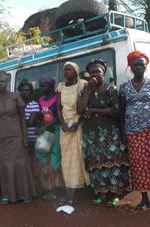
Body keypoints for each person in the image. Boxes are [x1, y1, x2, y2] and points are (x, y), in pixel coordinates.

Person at [119, 50, 150, 211]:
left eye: (142, 64)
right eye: (136, 65)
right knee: (138, 165)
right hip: (133, 132)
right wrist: (124, 133)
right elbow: (122, 111)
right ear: (130, 67)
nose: (139, 67)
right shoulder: (124, 87)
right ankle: (144, 198)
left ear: (146, 67)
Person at [78, 59, 131, 208]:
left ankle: (113, 194)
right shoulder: (86, 90)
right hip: (91, 135)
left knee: (112, 163)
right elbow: (80, 110)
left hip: (110, 134)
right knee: (96, 164)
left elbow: (116, 111)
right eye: (92, 73)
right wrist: (88, 89)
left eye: (98, 72)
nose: (94, 75)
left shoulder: (111, 89)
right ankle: (100, 193)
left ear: (104, 74)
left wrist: (94, 110)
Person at [0, 71, 37, 204]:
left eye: (3, 81)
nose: (1, 84)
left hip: (16, 136)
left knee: (20, 164)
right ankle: (7, 194)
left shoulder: (15, 97)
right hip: (1, 138)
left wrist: (25, 136)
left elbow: (22, 117)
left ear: (7, 83)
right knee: (5, 165)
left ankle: (25, 193)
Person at [56, 61, 90, 206]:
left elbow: (84, 106)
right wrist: (64, 125)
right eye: (65, 70)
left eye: (70, 69)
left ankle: (74, 194)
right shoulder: (61, 87)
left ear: (76, 71)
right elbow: (58, 108)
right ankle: (68, 191)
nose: (67, 72)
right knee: (66, 160)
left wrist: (77, 122)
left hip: (78, 126)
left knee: (76, 159)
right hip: (65, 128)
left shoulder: (82, 85)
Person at [34, 76, 64, 200]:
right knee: (43, 157)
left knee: (55, 158)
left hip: (55, 130)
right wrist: (38, 127)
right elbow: (40, 116)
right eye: (40, 86)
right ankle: (48, 186)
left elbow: (59, 115)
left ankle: (57, 189)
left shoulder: (58, 97)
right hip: (44, 131)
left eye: (43, 86)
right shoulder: (41, 99)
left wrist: (46, 126)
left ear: (50, 87)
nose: (40, 88)